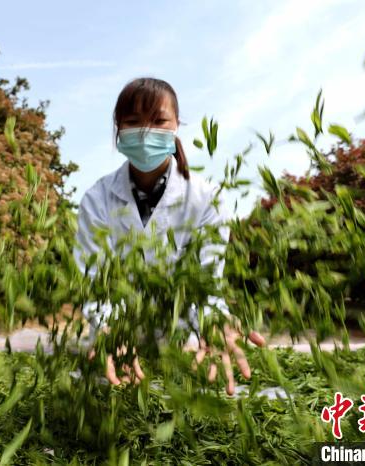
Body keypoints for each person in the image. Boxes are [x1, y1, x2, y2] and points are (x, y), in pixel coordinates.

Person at [73, 77, 265, 395]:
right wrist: (111, 331)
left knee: (195, 380)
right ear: (118, 128)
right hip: (117, 325)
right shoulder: (97, 198)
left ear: (176, 125)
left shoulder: (206, 197)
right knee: (105, 388)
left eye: (159, 120)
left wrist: (214, 324)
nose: (146, 132)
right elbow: (94, 281)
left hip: (183, 327)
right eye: (133, 122)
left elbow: (205, 282)